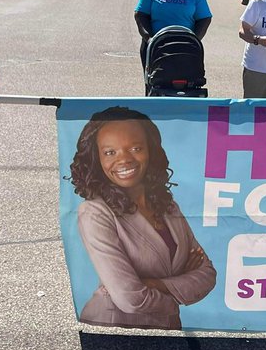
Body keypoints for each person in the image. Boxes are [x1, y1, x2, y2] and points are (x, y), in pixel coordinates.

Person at [70, 107, 216, 329]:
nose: (125, 160)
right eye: (110, 152)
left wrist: (155, 284)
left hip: (167, 329)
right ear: (96, 158)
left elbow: (207, 274)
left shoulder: (168, 206)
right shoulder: (95, 213)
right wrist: (176, 294)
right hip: (116, 330)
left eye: (136, 148)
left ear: (151, 151)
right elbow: (130, 299)